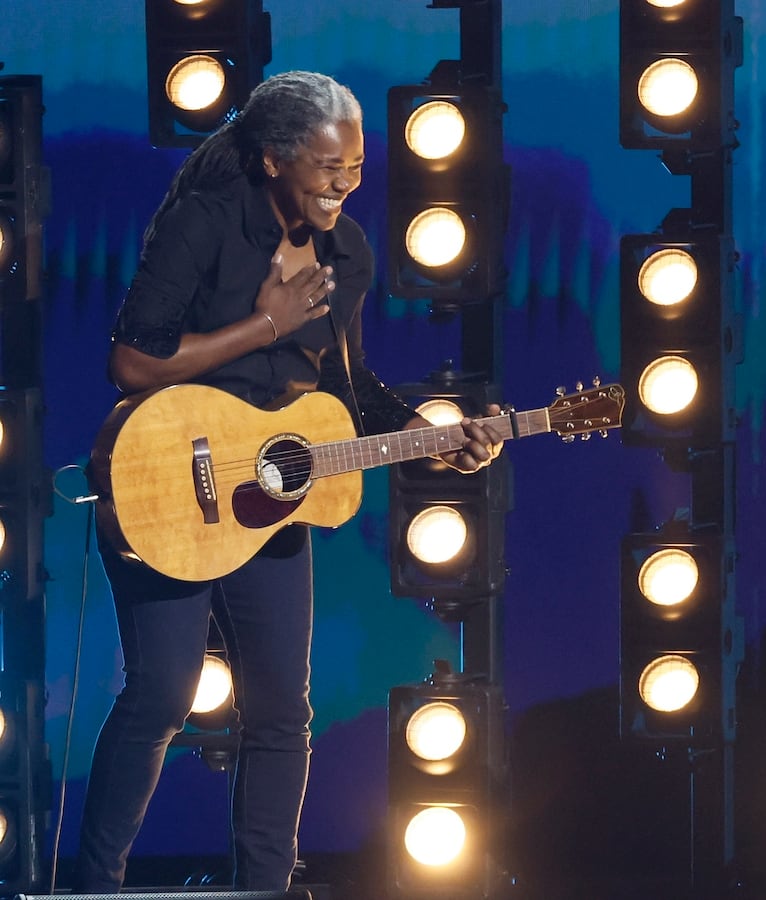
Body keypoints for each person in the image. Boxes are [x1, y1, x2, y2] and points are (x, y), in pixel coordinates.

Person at [80, 71, 504, 892]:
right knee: (162, 694)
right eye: (328, 167)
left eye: (357, 168)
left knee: (282, 712)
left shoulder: (347, 254)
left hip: (270, 499)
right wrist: (265, 324)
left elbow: (347, 389)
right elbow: (131, 362)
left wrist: (434, 440)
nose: (345, 184)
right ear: (274, 160)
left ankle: (265, 888)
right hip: (166, 477)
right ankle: (95, 888)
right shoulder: (206, 224)